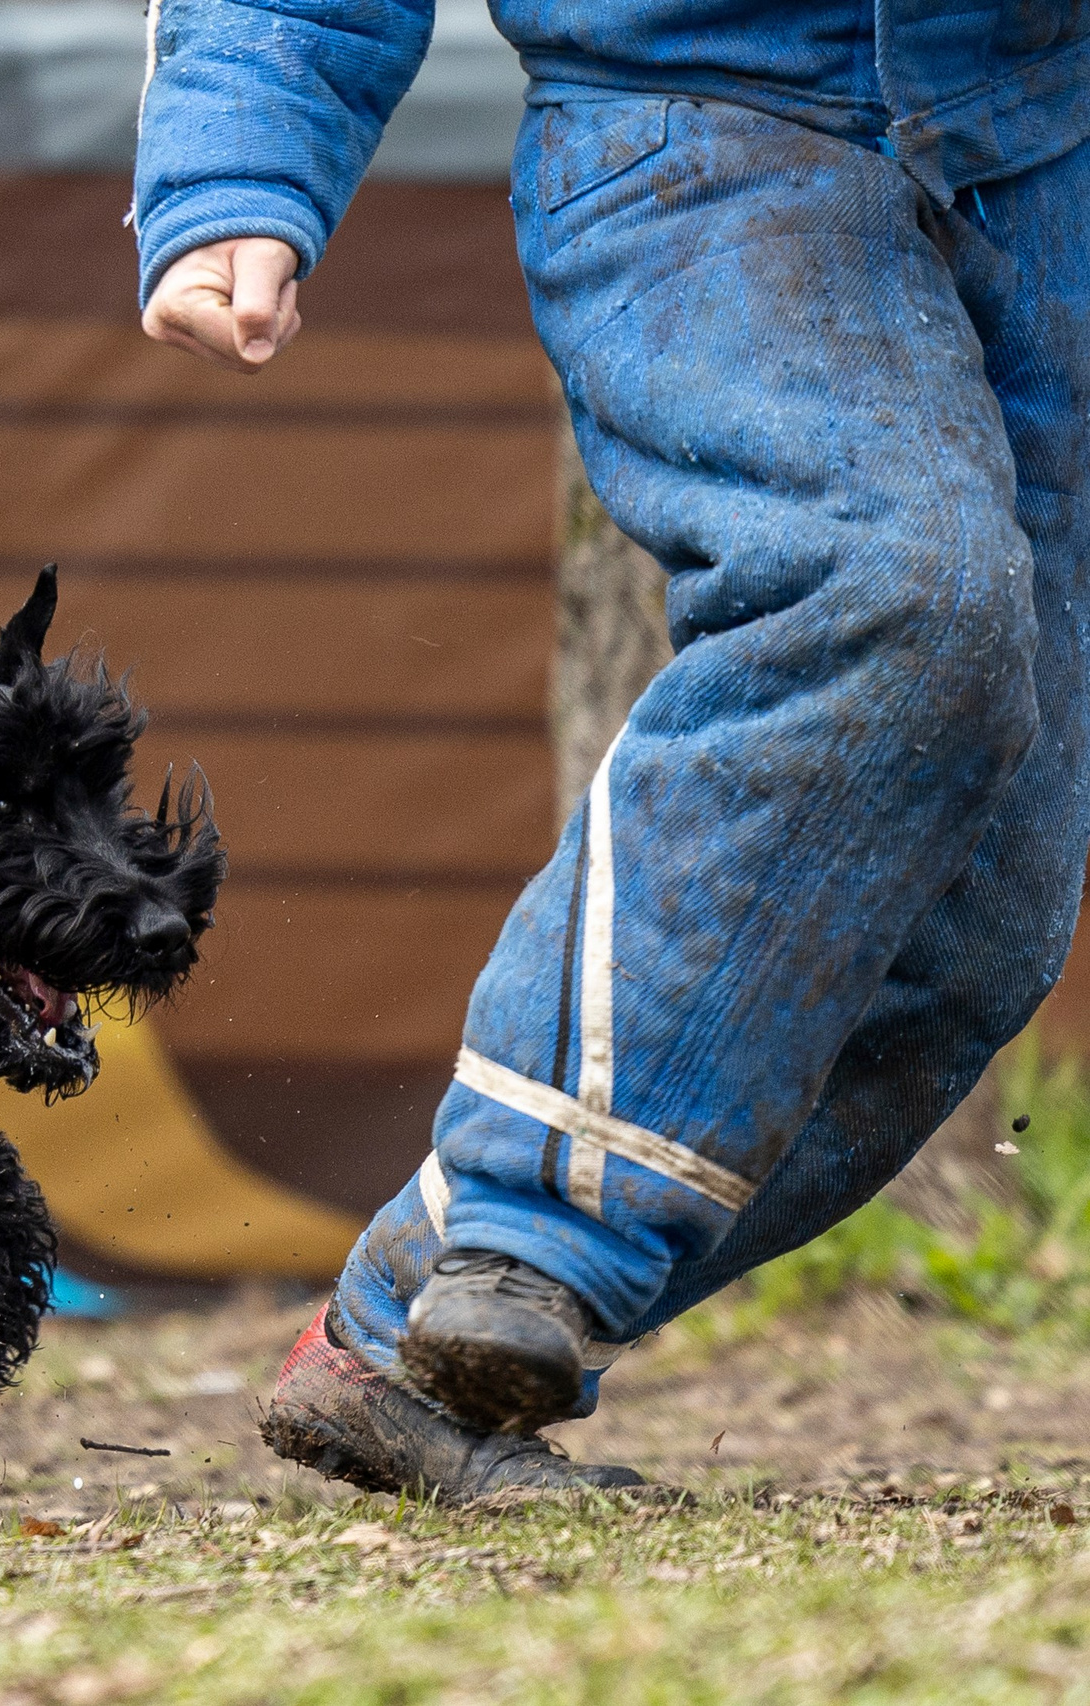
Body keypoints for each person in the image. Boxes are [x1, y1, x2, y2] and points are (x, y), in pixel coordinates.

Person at [136, 3, 1090, 1497]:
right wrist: (231, 167)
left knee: (981, 909)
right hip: (705, 134)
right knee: (894, 588)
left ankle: (408, 1339)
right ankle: (530, 1234)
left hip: (1044, 147)